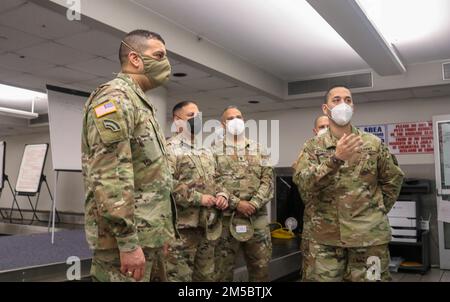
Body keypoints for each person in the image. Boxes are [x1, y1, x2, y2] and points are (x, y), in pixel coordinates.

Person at [81, 29, 177, 282]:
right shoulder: (115, 98)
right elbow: (110, 175)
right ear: (135, 59)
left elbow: (152, 176)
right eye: (159, 55)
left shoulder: (140, 103)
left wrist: (161, 233)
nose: (166, 63)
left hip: (149, 235)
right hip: (125, 243)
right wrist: (127, 242)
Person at [293, 85, 404, 282]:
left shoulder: (373, 144)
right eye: (336, 100)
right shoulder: (312, 148)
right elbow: (303, 183)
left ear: (353, 107)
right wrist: (335, 159)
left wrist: (374, 212)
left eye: (348, 100)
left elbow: (393, 181)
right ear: (325, 109)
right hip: (324, 239)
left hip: (368, 238)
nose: (343, 104)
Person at [165, 101, 229, 282]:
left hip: (207, 228)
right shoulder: (169, 149)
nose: (197, 120)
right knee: (179, 278)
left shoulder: (206, 150)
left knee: (206, 278)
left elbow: (217, 179)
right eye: (191, 116)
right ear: (177, 120)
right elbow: (165, 185)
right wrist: (198, 198)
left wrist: (222, 194)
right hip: (182, 231)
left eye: (198, 116)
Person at [213, 106, 274, 282]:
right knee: (223, 271)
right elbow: (212, 182)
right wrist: (236, 203)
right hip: (226, 220)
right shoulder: (213, 151)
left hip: (257, 220)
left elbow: (268, 181)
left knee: (260, 269)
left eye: (238, 116)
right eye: (230, 118)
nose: (236, 120)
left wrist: (254, 204)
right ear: (223, 124)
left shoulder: (260, 149)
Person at [295, 115, 329, 281]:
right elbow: (305, 191)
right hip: (316, 226)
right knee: (313, 273)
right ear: (315, 131)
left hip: (347, 229)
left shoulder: (348, 150)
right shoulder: (307, 152)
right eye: (322, 126)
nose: (325, 129)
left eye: (328, 126)